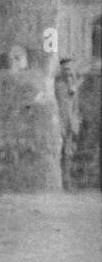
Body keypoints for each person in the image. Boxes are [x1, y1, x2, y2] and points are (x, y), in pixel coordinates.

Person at [55, 58, 83, 190]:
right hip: (58, 123)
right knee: (59, 153)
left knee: (68, 153)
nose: (69, 74)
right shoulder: (57, 85)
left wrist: (75, 123)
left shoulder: (73, 87)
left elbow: (75, 107)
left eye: (71, 70)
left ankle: (67, 182)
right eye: (66, 70)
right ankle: (60, 182)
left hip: (69, 124)